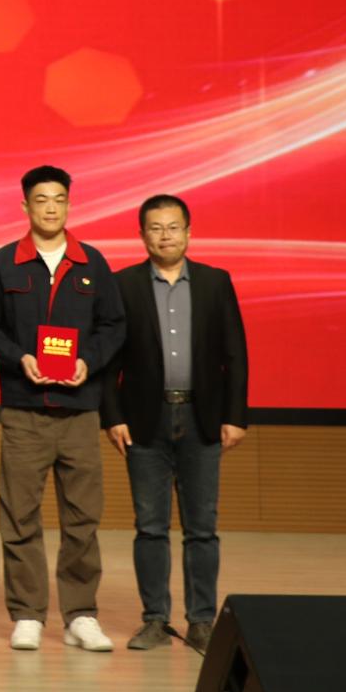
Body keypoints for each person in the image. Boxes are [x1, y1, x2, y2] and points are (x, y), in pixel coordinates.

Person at [0, 165, 126, 652]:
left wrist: (87, 361)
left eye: (59, 199)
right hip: (25, 411)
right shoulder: (4, 263)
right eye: (41, 199)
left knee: (83, 518)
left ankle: (81, 615)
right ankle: (28, 613)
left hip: (80, 410)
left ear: (69, 204)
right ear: (26, 206)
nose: (51, 208)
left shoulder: (92, 262)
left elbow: (114, 326)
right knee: (19, 516)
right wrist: (20, 358)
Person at [101, 194, 249, 654]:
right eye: (155, 228)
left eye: (173, 227)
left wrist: (235, 416)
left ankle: (201, 620)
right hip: (144, 421)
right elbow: (108, 361)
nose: (165, 236)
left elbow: (235, 354)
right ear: (142, 235)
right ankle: (155, 621)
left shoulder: (214, 282)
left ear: (188, 231)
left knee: (202, 527)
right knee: (150, 526)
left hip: (203, 419)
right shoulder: (122, 285)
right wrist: (113, 417)